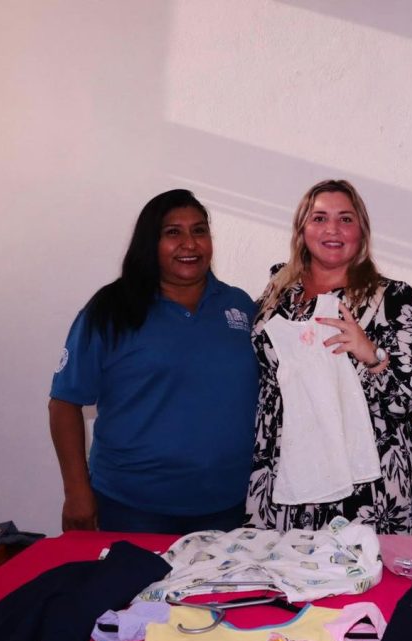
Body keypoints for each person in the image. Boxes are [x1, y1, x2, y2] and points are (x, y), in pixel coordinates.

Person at [49, 189, 259, 533]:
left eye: (199, 230)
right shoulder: (111, 310)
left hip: (229, 507)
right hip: (132, 508)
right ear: (150, 243)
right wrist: (76, 492)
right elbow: (64, 403)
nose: (189, 243)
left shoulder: (240, 306)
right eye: (173, 232)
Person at [244, 179, 412, 535]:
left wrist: (372, 356)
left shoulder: (393, 299)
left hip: (364, 479)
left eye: (346, 219)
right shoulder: (276, 295)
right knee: (282, 566)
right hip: (283, 468)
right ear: (302, 230)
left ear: (362, 231)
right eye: (319, 218)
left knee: (362, 568)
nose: (332, 229)